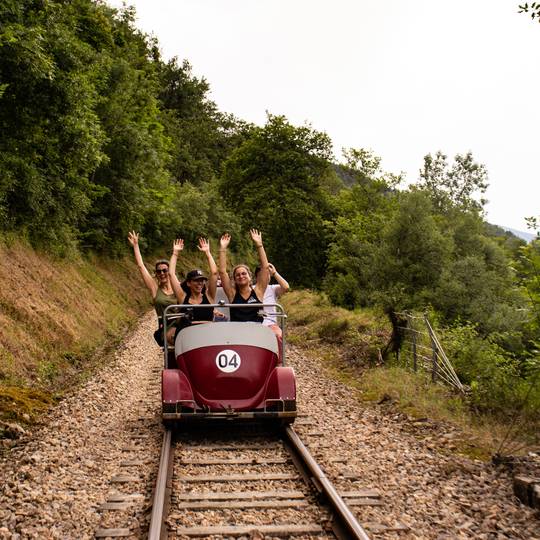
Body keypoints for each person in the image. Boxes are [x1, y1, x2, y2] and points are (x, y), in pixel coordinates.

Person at [127, 231, 176, 347]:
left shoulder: (178, 287)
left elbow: (192, 298)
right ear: (156, 274)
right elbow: (141, 266)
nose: (162, 273)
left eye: (165, 270)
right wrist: (136, 246)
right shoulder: (155, 288)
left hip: (181, 324)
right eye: (159, 271)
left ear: (170, 272)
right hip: (166, 326)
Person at [168, 237, 218, 340]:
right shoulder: (183, 298)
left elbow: (214, 273)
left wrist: (208, 253)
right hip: (189, 340)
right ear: (189, 283)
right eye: (196, 280)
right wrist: (175, 253)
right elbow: (171, 274)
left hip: (208, 337)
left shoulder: (209, 296)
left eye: (202, 280)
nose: (200, 283)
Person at [218, 229, 270, 323]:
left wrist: (259, 245)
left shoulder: (258, 291)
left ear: (250, 276)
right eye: (237, 275)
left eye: (244, 273)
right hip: (238, 333)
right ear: (234, 279)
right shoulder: (232, 294)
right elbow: (222, 272)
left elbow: (265, 268)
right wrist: (222, 249)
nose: (241, 276)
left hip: (256, 330)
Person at [254, 263, 290, 337]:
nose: (266, 277)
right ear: (257, 277)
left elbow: (286, 287)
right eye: (263, 275)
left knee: (277, 334)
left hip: (270, 323)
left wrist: (274, 273)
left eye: (268, 275)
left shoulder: (272, 289)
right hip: (254, 322)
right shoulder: (251, 288)